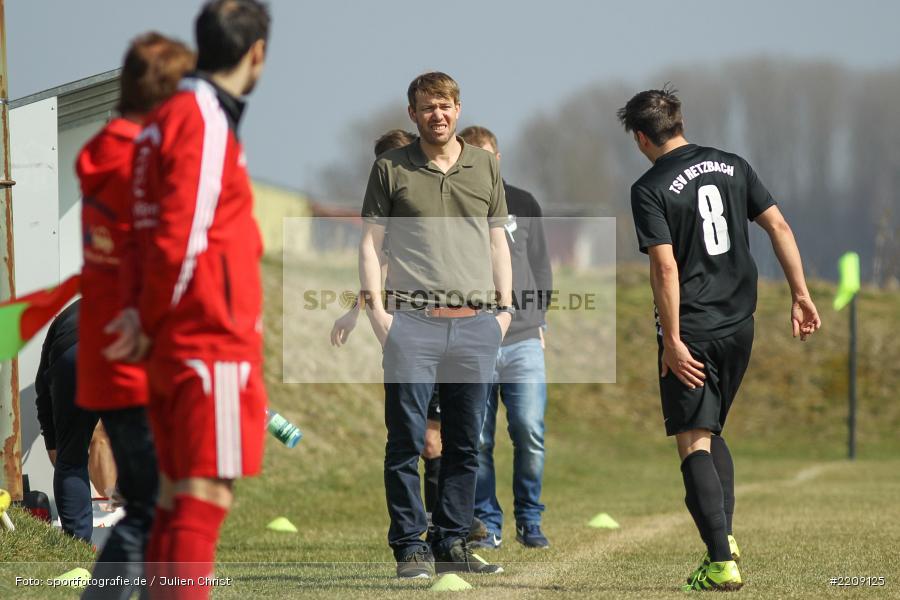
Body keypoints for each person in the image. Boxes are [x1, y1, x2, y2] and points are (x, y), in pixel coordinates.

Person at [617, 86, 821, 591]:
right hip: (741, 322)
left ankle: (721, 561)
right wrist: (800, 293)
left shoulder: (649, 187)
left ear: (641, 137)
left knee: (693, 441)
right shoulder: (733, 164)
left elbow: (665, 266)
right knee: (711, 433)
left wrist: (672, 340)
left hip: (696, 329)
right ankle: (724, 540)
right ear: (679, 123)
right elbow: (780, 227)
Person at [107, 1, 271, 596]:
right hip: (207, 334)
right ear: (258, 53)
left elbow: (140, 230)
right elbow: (183, 233)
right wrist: (151, 319)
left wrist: (138, 312)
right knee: (204, 496)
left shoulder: (164, 118)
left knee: (179, 496)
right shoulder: (203, 117)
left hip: (182, 333)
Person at [359, 72, 512, 578]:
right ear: (413, 114)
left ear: (458, 109)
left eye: (444, 106)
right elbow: (370, 244)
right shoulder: (390, 168)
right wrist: (380, 314)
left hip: (476, 324)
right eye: (427, 108)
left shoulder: (485, 167)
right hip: (413, 324)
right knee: (405, 440)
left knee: (468, 442)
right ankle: (409, 546)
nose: (437, 115)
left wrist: (505, 310)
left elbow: (497, 242)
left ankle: (451, 542)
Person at [76, 32, 195, 600]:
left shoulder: (103, 149)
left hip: (110, 351)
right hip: (143, 356)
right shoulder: (142, 162)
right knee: (156, 507)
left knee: (153, 505)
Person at [331, 129, 488, 544]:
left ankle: (451, 524)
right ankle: (430, 528)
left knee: (449, 439)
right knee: (421, 439)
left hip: (458, 327)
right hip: (412, 332)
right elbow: (377, 266)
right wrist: (364, 312)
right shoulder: (394, 215)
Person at [459, 126, 553, 550]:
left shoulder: (524, 202)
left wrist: (541, 322)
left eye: (489, 156)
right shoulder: (453, 205)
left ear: (498, 159)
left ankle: (530, 519)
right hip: (472, 340)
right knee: (477, 438)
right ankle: (487, 523)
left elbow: (541, 267)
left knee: (529, 429)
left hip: (523, 340)